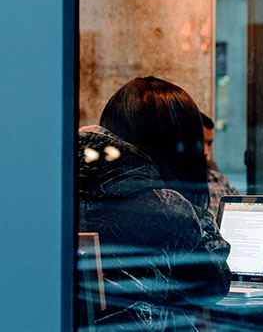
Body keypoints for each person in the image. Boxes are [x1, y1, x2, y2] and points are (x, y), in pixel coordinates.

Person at [78, 77, 232, 331]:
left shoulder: (64, 187)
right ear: (177, 144)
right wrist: (191, 205)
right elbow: (213, 286)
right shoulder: (166, 207)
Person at [201, 112, 238, 220]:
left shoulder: (218, 179)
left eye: (209, 144)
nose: (206, 152)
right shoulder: (171, 186)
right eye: (200, 142)